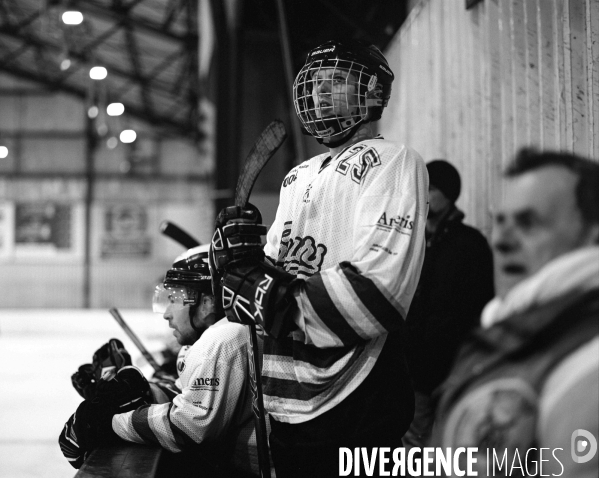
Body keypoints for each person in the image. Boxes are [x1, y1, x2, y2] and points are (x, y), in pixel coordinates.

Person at [210, 39, 428, 477]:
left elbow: (378, 294)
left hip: (360, 395)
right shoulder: (297, 176)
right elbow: (253, 295)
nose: (322, 93)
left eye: (337, 82)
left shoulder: (393, 161)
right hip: (285, 402)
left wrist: (264, 294)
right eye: (317, 84)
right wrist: (235, 264)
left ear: (373, 94)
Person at [432, 149, 599, 477]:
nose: (502, 242)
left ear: (593, 235)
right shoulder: (518, 331)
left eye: (528, 223)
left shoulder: (588, 361)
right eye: (500, 221)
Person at [59, 245, 266, 477]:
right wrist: (130, 393)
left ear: (208, 302)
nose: (167, 313)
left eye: (176, 298)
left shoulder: (224, 338)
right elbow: (182, 397)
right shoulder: (220, 337)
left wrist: (109, 424)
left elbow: (186, 427)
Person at [403, 160, 494, 449]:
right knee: (413, 444)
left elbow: (483, 305)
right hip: (416, 369)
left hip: (454, 368)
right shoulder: (412, 241)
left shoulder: (470, 244)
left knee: (451, 445)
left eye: (432, 188)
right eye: (423, 187)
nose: (425, 194)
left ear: (450, 193)